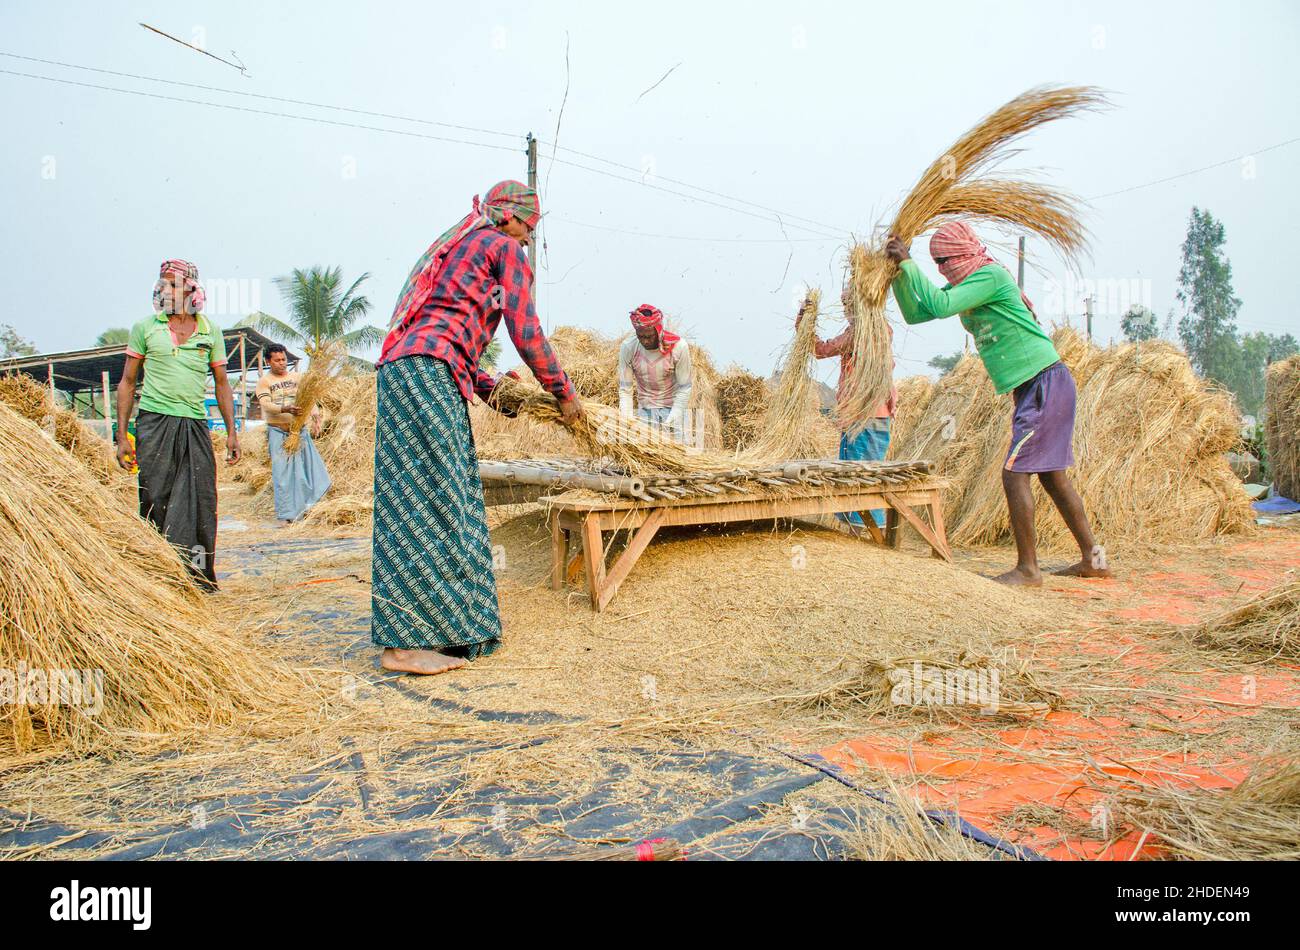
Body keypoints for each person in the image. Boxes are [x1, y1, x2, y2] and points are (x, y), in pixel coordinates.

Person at [373, 180, 583, 676]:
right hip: (428, 375)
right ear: (510, 217)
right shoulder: (502, 246)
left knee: (415, 502)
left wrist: (497, 393)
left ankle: (432, 632)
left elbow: (446, 330)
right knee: (444, 503)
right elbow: (525, 329)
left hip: (407, 372)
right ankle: (407, 644)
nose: (529, 239)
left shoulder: (461, 245)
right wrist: (562, 392)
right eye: (530, 227)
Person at [886, 222, 1111, 586]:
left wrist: (910, 263)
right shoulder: (970, 283)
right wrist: (898, 273)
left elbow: (940, 305)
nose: (941, 269)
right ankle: (1094, 560)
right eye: (936, 263)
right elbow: (918, 312)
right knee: (1053, 478)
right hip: (1034, 387)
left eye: (944, 261)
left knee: (1013, 472)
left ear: (962, 254)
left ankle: (1028, 569)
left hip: (1045, 382)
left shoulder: (989, 276)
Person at [117, 259, 240, 590]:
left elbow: (222, 383)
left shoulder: (209, 330)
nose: (163, 288)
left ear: (191, 288)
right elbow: (128, 382)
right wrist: (122, 437)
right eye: (162, 283)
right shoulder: (145, 327)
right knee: (155, 497)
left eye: (172, 283)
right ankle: (159, 574)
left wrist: (231, 433)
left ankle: (198, 574)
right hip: (154, 424)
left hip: (195, 424)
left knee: (201, 501)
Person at [806, 292, 897, 531]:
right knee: (865, 470)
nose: (846, 310)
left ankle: (863, 532)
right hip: (873, 414)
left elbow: (820, 350)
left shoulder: (858, 333)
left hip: (862, 417)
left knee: (857, 473)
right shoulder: (883, 329)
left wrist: (805, 324)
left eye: (848, 305)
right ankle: (863, 529)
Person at [255, 343, 331, 524]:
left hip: (300, 432)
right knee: (283, 475)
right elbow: (265, 405)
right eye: (277, 360)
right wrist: (285, 408)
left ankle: (309, 510)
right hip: (278, 433)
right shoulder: (265, 382)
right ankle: (287, 515)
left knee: (310, 472)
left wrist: (315, 416)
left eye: (284, 359)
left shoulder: (297, 377)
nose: (282, 363)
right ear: (268, 361)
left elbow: (308, 399)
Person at [618, 305, 694, 438]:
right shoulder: (628, 347)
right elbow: (625, 389)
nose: (645, 341)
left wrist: (673, 418)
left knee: (680, 454)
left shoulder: (678, 347)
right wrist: (627, 421)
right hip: (645, 412)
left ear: (658, 330)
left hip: (674, 409)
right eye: (640, 336)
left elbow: (685, 387)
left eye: (649, 336)